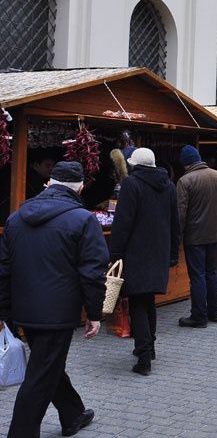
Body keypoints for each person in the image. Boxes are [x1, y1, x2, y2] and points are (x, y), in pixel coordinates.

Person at [0, 162, 108, 438]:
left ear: (50, 183)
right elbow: (93, 273)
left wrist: (5, 313)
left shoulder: (15, 218)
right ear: (81, 187)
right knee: (40, 377)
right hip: (57, 313)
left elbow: (4, 269)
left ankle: (73, 414)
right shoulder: (83, 220)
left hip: (26, 310)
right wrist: (94, 313)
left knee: (46, 364)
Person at [108, 148, 180, 376]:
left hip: (136, 253)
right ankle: (150, 347)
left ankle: (143, 356)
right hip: (158, 252)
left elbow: (123, 222)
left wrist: (115, 252)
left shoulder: (132, 184)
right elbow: (174, 221)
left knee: (138, 303)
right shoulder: (168, 185)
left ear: (134, 164)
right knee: (147, 301)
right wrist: (173, 252)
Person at [176, 145, 217, 328]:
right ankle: (215, 312)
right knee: (211, 272)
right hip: (214, 235)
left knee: (197, 275)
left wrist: (178, 238)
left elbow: (180, 214)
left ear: (185, 163)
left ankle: (199, 316)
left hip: (194, 236)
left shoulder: (185, 181)